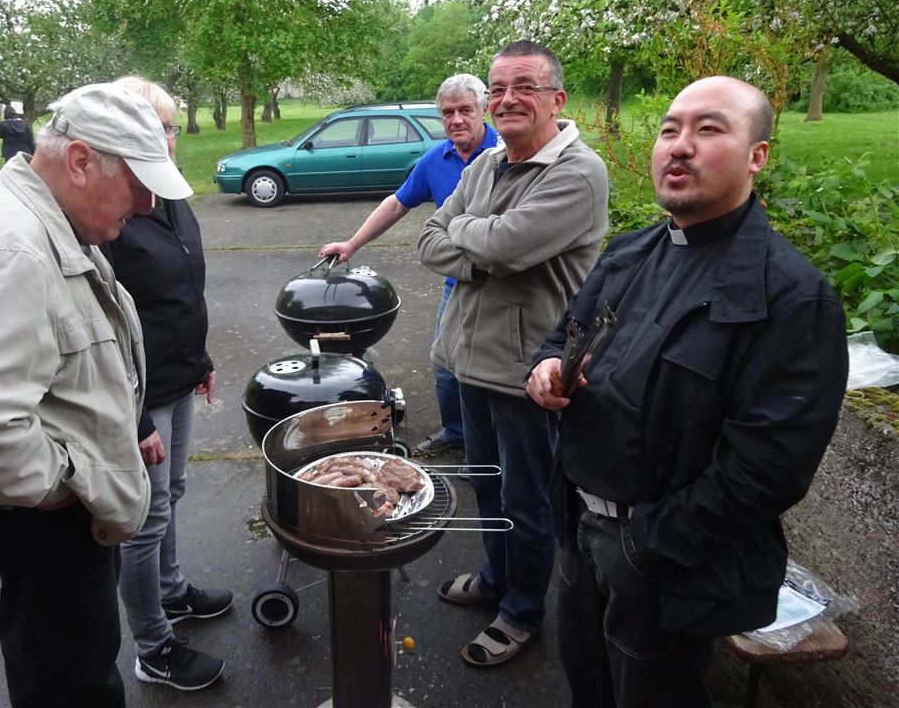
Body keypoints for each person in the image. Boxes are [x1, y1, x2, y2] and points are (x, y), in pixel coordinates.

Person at [526, 76, 849, 706]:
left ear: (757, 155)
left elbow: (767, 470)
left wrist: (645, 547)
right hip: (578, 529)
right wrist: (543, 372)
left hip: (659, 564)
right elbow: (561, 337)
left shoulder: (790, 298)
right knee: (586, 685)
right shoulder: (629, 254)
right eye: (669, 129)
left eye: (709, 129)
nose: (679, 145)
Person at [0, 82, 193, 707]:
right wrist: (62, 487)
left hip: (42, 499)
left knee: (68, 656)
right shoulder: (13, 245)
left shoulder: (42, 214)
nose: (148, 204)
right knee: (70, 679)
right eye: (138, 184)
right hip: (38, 513)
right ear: (81, 161)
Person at [417, 40, 609, 667]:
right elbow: (429, 240)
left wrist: (474, 239)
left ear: (557, 99)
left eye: (524, 86)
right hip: (468, 359)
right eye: (497, 88)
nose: (506, 100)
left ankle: (522, 612)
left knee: (526, 501)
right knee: (486, 485)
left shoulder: (578, 172)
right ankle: (496, 579)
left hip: (529, 370)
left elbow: (504, 244)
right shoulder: (486, 164)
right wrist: (482, 251)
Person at [101, 75, 230, 692]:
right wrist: (134, 420)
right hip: (139, 394)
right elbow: (105, 326)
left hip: (178, 374)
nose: (168, 140)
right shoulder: (111, 213)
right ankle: (153, 647)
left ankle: (173, 592)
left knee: (171, 493)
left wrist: (200, 361)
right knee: (144, 519)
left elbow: (182, 290)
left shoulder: (170, 196)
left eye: (171, 128)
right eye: (154, 130)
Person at [320, 73, 498, 460]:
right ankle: (456, 431)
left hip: (505, 283)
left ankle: (494, 445)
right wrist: (352, 244)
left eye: (466, 110)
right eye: (447, 113)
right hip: (459, 282)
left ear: (484, 110)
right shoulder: (436, 160)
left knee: (495, 372)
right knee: (445, 363)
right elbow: (397, 203)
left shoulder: (505, 151)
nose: (456, 120)